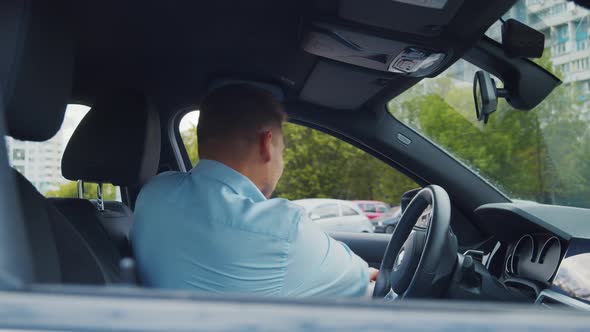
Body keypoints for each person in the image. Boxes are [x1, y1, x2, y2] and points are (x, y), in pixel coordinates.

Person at [131, 84, 377, 297]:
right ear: (266, 144)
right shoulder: (282, 228)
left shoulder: (152, 195)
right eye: (283, 151)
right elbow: (365, 279)